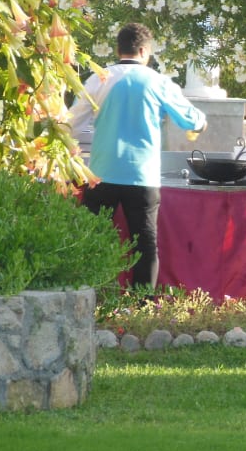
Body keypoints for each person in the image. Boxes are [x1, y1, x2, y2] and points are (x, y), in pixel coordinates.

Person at [69, 23, 207, 290]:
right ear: (144, 51)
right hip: (142, 177)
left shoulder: (98, 78)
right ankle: (142, 304)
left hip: (101, 174)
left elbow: (71, 124)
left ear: (117, 49)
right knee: (145, 245)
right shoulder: (159, 82)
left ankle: (87, 297)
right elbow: (192, 121)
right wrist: (201, 125)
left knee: (89, 240)